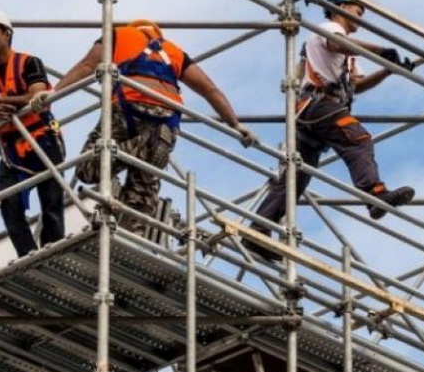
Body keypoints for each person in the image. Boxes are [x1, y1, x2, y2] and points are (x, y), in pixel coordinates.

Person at [30, 19, 256, 234]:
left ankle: (138, 146)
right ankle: (131, 240)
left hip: (129, 108)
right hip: (167, 118)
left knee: (87, 169)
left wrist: (53, 93)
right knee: (143, 193)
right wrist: (235, 124)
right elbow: (210, 90)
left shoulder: (118, 35)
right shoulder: (174, 51)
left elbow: (88, 65)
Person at [243, 0, 417, 262]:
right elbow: (338, 44)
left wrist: (387, 70)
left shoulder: (348, 54)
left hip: (315, 109)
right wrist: (380, 51)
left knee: (296, 174)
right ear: (339, 9)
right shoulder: (329, 30)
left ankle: (259, 228)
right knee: (358, 139)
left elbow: (357, 85)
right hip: (320, 104)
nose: (359, 18)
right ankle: (374, 194)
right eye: (356, 11)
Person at [0, 8, 66, 257]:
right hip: (10, 148)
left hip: (41, 138)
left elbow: (39, 98)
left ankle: (53, 254)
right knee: (9, 206)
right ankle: (28, 256)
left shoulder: (29, 62)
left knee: (52, 203)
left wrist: (5, 101)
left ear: (6, 32)